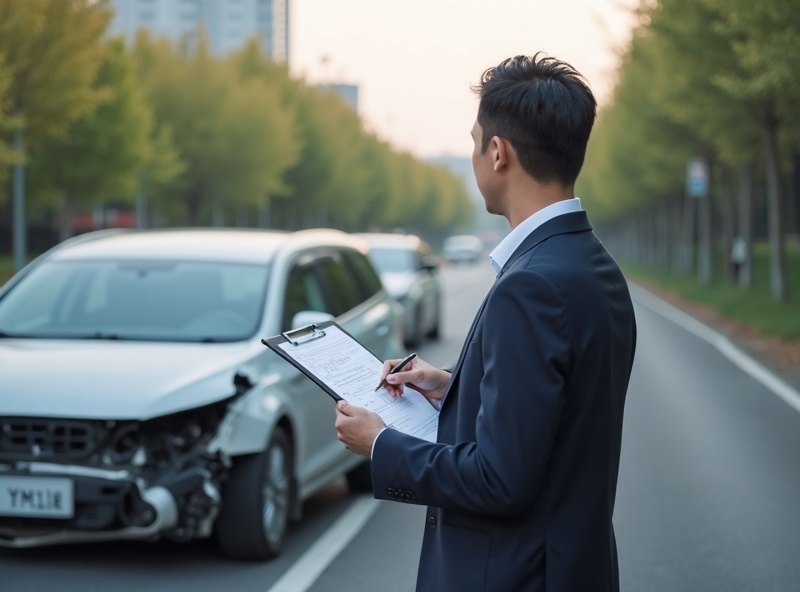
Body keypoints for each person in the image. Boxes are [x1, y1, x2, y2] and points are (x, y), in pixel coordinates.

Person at [335, 53, 637, 592]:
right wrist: (454, 387)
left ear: (498, 152)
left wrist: (381, 444)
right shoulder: (592, 263)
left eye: (476, 139)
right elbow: (557, 411)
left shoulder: (531, 285)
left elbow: (500, 480)